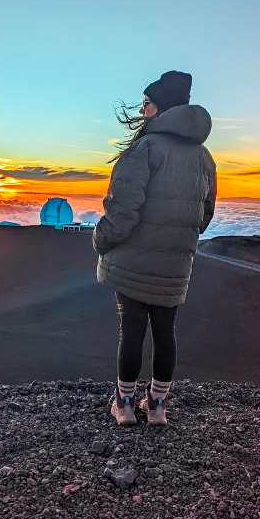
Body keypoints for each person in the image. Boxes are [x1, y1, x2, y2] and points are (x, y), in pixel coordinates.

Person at [93, 70, 216, 426]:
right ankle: (158, 406)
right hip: (176, 264)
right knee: (166, 332)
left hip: (133, 261)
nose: (142, 109)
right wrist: (177, 239)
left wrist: (100, 239)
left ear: (160, 109)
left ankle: (125, 405)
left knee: (131, 330)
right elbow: (204, 214)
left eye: (146, 103)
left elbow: (122, 213)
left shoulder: (144, 149)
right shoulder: (205, 158)